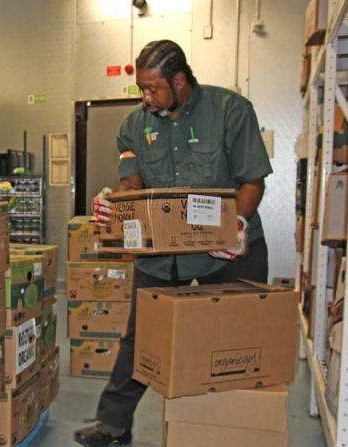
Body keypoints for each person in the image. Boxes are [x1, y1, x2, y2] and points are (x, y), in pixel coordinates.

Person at [73, 39, 272, 447]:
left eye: (153, 88)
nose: (146, 98)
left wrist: (236, 224)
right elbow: (132, 184)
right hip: (164, 254)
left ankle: (240, 427)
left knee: (236, 338)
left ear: (180, 81)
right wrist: (115, 202)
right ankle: (114, 424)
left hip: (229, 250)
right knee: (141, 337)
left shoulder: (231, 111)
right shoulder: (134, 124)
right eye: (142, 89)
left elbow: (252, 180)